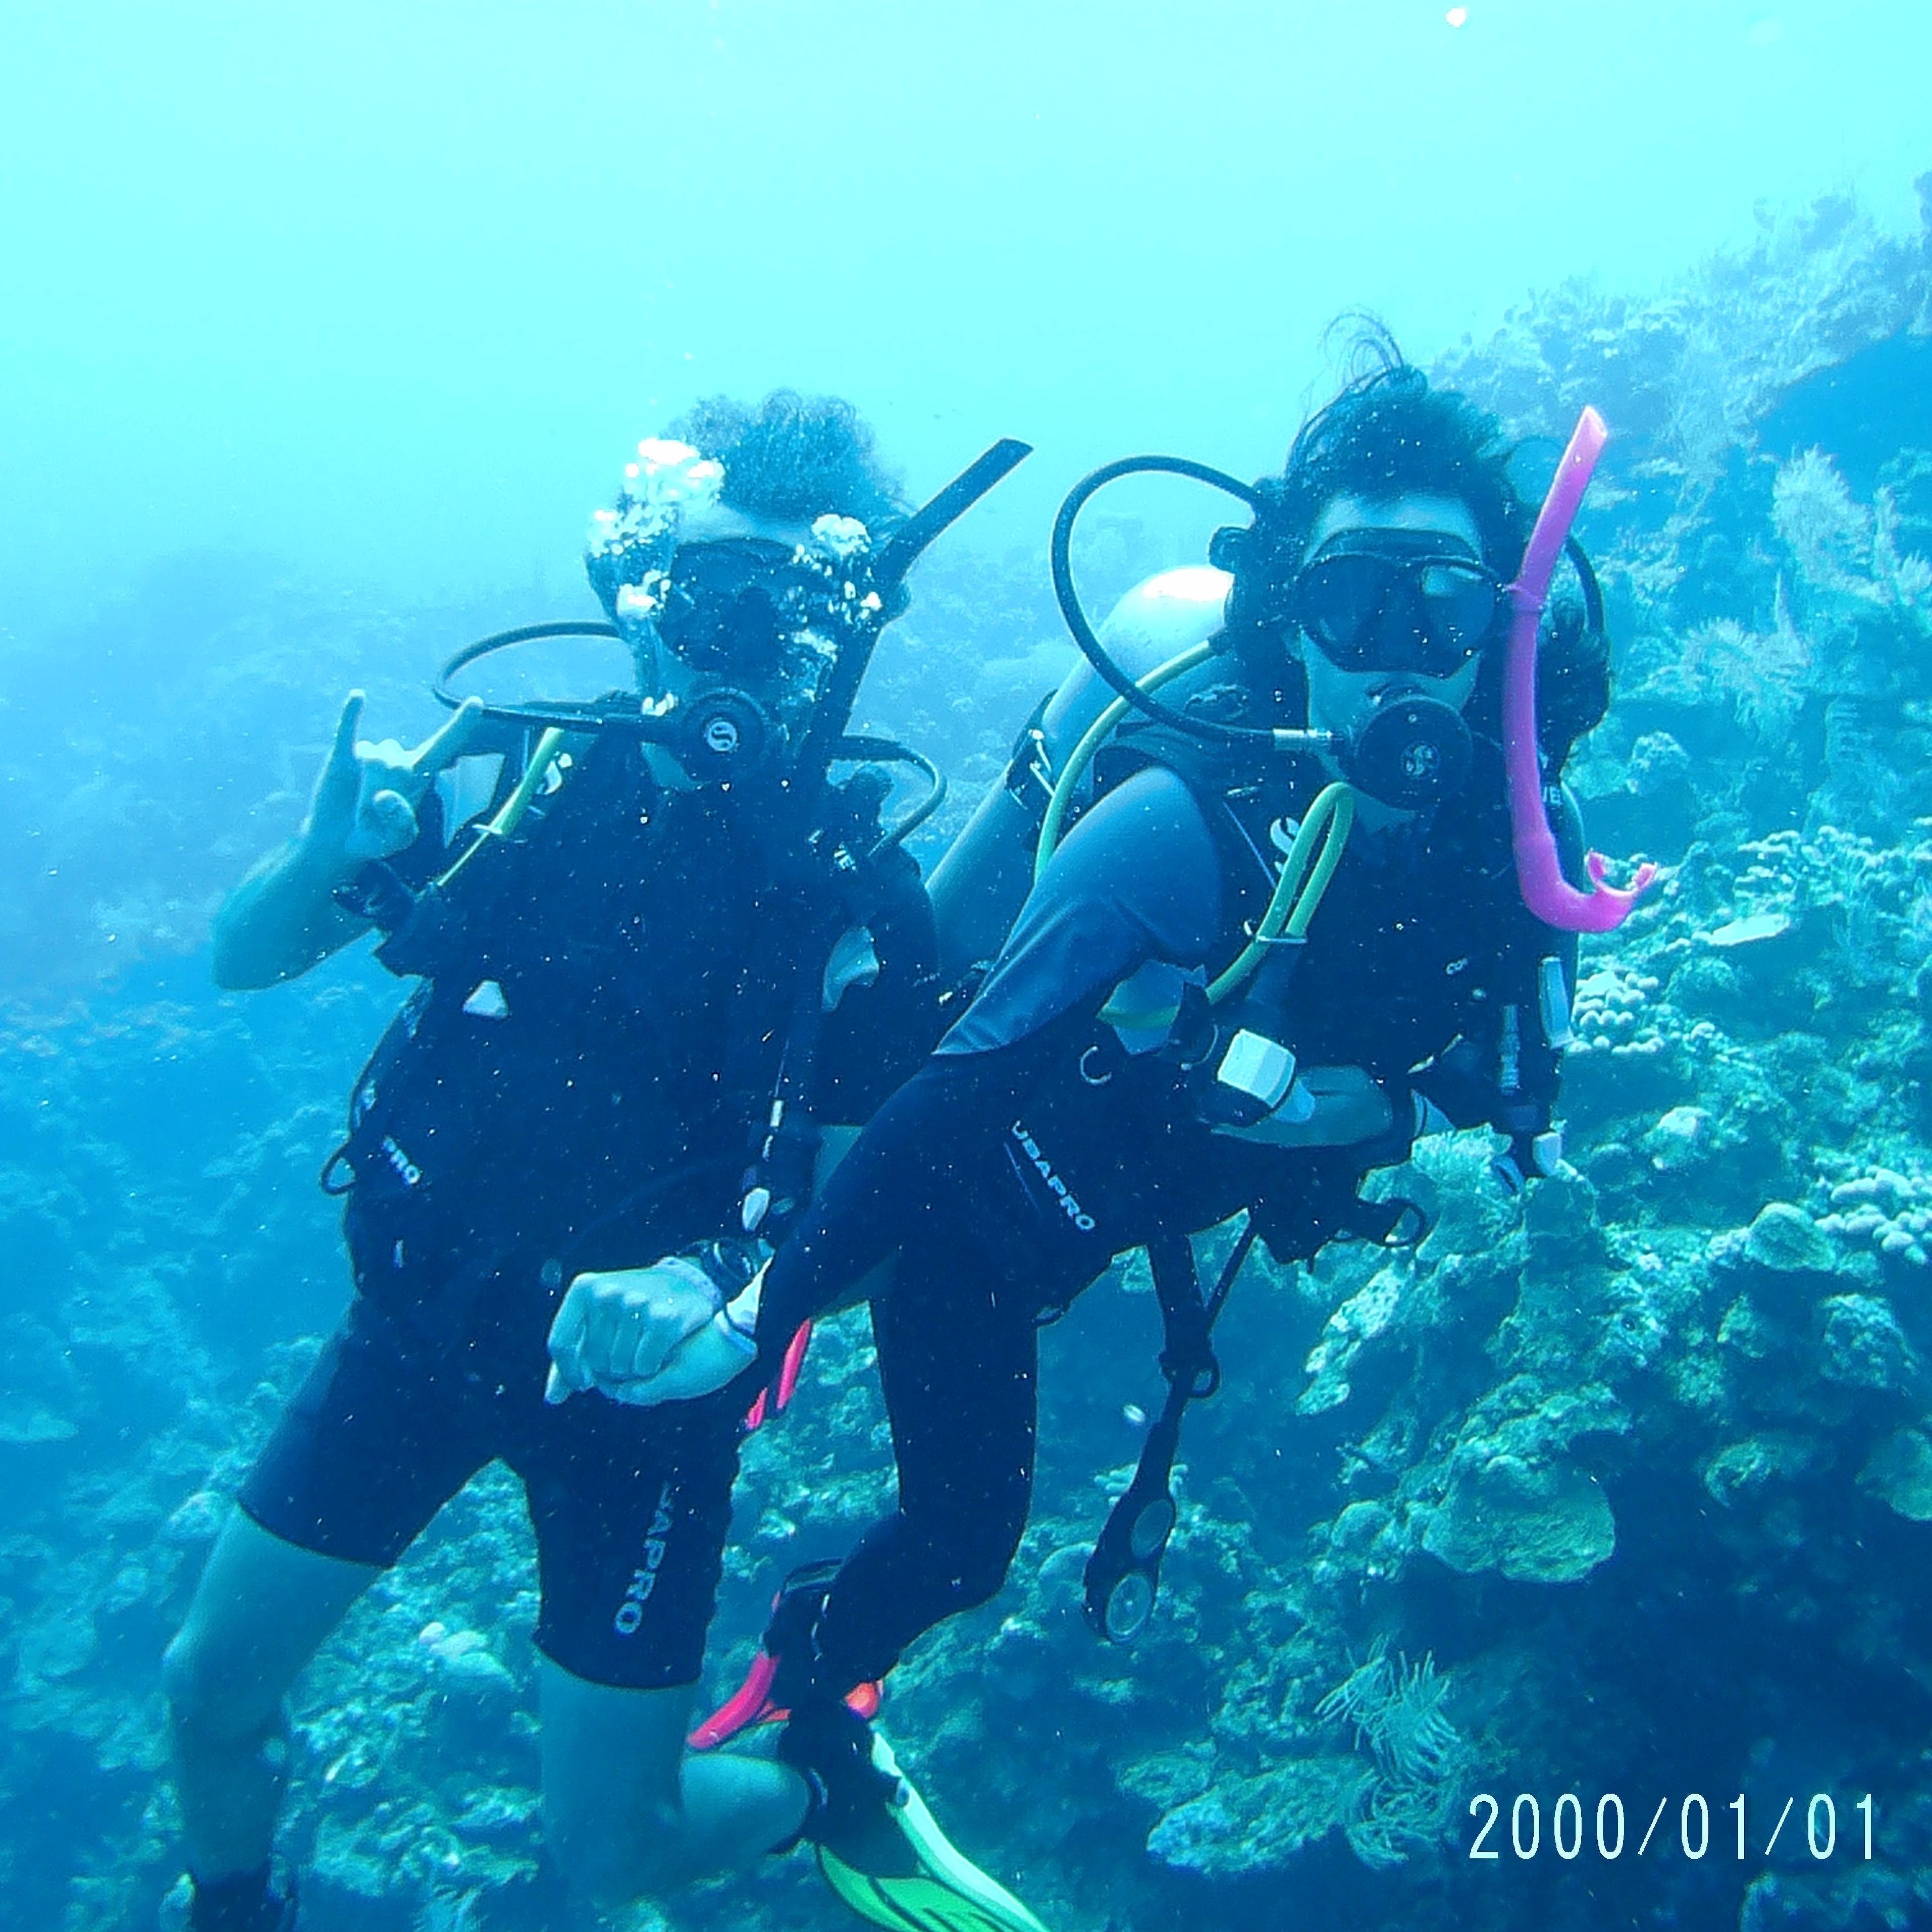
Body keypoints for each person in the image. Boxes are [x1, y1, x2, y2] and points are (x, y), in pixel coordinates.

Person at [560, 351, 1620, 1813]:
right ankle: (816, 1687)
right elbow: (959, 1084)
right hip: (984, 1216)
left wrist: (1353, 1112)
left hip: (1150, 1207)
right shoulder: (1175, 826)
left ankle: (815, 1665)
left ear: (1500, 633)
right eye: (1345, 602)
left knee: (959, 1541)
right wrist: (762, 1308)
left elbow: (1508, 1095)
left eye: (1438, 604)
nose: (1391, 653)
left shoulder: (1525, 849)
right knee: (963, 1543)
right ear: (1285, 629)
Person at [162, 392, 1041, 1932]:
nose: (739, 638)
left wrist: (712, 1281)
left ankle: (813, 1779)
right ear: (643, 594)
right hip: (417, 1332)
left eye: (786, 607)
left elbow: (870, 1225)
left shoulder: (857, 893)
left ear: (836, 632)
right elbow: (245, 960)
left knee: (610, 1856)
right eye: (713, 593)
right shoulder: (517, 778)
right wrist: (323, 861)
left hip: (641, 1416)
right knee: (203, 1696)